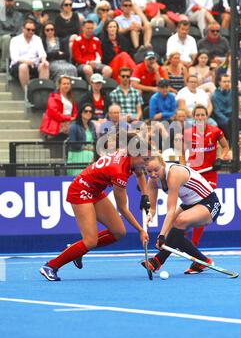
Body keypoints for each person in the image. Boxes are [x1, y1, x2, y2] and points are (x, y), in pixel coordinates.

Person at [39, 134, 150, 281]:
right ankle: (50, 266)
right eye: (145, 159)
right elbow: (122, 208)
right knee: (90, 241)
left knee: (118, 232)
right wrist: (141, 230)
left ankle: (76, 249)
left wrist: (144, 195)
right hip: (80, 190)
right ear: (134, 155)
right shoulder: (119, 172)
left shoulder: (130, 158)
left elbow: (140, 173)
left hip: (95, 191)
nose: (146, 163)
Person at [141, 154, 221, 275]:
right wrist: (149, 216)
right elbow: (152, 209)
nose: (153, 174)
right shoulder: (152, 181)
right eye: (149, 171)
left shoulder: (174, 174)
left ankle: (157, 261)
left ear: (163, 164)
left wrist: (161, 236)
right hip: (189, 204)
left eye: (156, 170)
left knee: (178, 223)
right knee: (172, 234)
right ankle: (203, 261)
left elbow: (171, 209)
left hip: (209, 202)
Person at [184, 104, 229, 246]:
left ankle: (194, 243)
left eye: (202, 115)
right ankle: (181, 238)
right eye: (197, 115)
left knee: (203, 208)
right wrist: (183, 167)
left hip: (209, 174)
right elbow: (180, 153)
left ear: (207, 116)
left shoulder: (216, 131)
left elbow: (226, 147)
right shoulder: (187, 133)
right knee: (188, 207)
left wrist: (220, 158)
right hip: (194, 175)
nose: (200, 117)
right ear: (193, 117)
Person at [9, 19, 49, 90]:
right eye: (28, 29)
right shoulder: (15, 40)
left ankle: (41, 92)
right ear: (23, 29)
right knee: (23, 66)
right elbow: (14, 57)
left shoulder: (37, 39)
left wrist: (44, 60)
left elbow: (42, 53)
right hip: (18, 65)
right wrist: (25, 61)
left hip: (33, 65)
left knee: (44, 66)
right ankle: (27, 93)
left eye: (33, 30)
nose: (31, 32)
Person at [40, 74, 77, 144]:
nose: (66, 85)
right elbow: (54, 113)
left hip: (69, 121)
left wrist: (74, 118)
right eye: (64, 84)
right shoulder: (53, 97)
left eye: (68, 84)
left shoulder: (71, 98)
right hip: (57, 123)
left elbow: (74, 112)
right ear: (59, 85)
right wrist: (69, 118)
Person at [67, 102, 97, 176]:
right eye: (85, 111)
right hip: (77, 154)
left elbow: (95, 140)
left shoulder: (92, 125)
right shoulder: (74, 126)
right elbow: (72, 143)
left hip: (91, 155)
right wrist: (86, 148)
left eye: (90, 111)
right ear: (81, 112)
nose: (88, 113)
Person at [0, 0, 23, 71]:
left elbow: (20, 29)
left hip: (16, 37)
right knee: (7, 38)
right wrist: (11, 34)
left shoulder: (19, 15)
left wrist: (15, 36)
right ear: (4, 1)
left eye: (11, 1)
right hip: (2, 38)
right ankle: (4, 65)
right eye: (7, 1)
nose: (9, 3)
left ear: (13, 1)